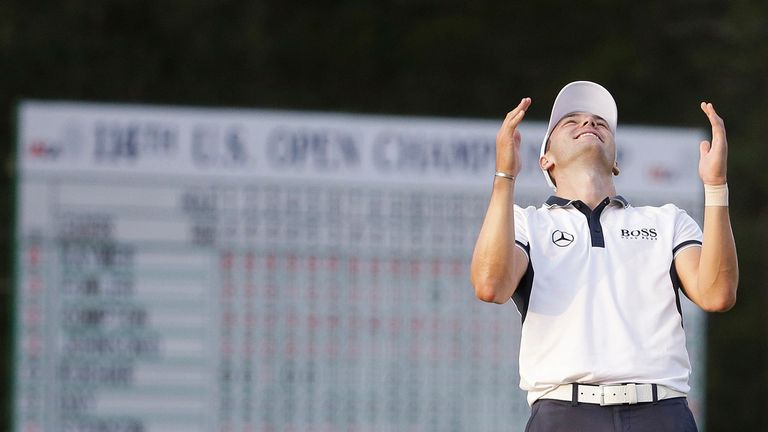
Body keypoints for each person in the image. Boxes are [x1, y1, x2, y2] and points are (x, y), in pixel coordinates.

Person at [469, 81, 738, 432]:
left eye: (600, 122)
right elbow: (491, 286)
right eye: (571, 122)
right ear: (545, 160)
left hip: (660, 410)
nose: (589, 124)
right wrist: (505, 175)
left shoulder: (668, 220)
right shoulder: (526, 222)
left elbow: (717, 294)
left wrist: (715, 185)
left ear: (615, 163)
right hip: (564, 411)